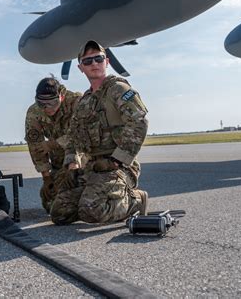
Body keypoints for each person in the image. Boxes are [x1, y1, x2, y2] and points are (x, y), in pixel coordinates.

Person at [51, 40, 149, 225]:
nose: (94, 64)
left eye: (98, 58)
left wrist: (117, 160)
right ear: (81, 68)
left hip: (119, 167)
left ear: (107, 62)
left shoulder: (118, 89)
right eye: (88, 61)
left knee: (92, 212)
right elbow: (73, 136)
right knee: (59, 213)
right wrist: (72, 164)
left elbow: (139, 122)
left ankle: (135, 200)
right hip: (92, 168)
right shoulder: (84, 101)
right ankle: (97, 198)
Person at [25, 76, 82, 213]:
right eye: (42, 104)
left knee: (76, 204)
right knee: (50, 204)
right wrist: (46, 177)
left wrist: (52, 144)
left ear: (61, 96)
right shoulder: (34, 112)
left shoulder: (77, 102)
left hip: (82, 160)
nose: (47, 109)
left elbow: (80, 135)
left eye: (53, 103)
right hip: (59, 165)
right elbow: (35, 146)